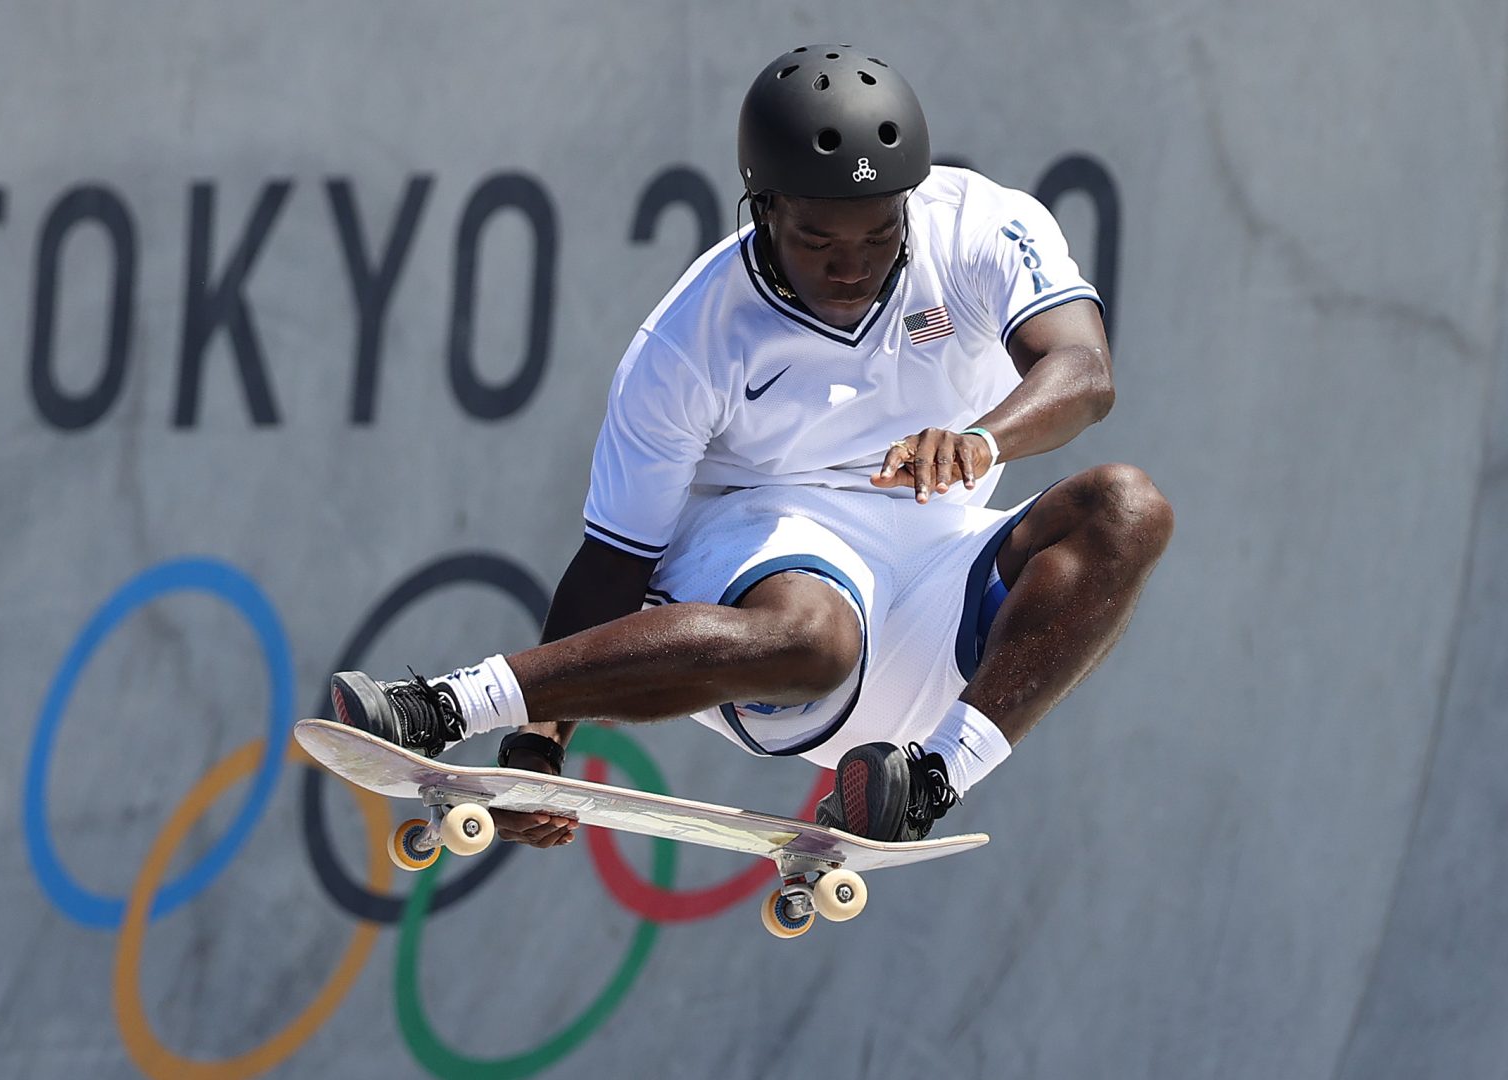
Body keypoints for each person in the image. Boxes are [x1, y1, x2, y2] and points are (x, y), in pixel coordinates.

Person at [330, 43, 1173, 847]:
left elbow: (1084, 370)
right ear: (764, 207)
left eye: (880, 235)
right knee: (818, 636)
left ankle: (928, 782)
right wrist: (536, 743)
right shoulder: (690, 337)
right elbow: (615, 559)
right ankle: (443, 703)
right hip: (763, 554)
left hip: (935, 559)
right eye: (819, 241)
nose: (854, 267)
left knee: (1126, 508)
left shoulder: (980, 227)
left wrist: (983, 439)